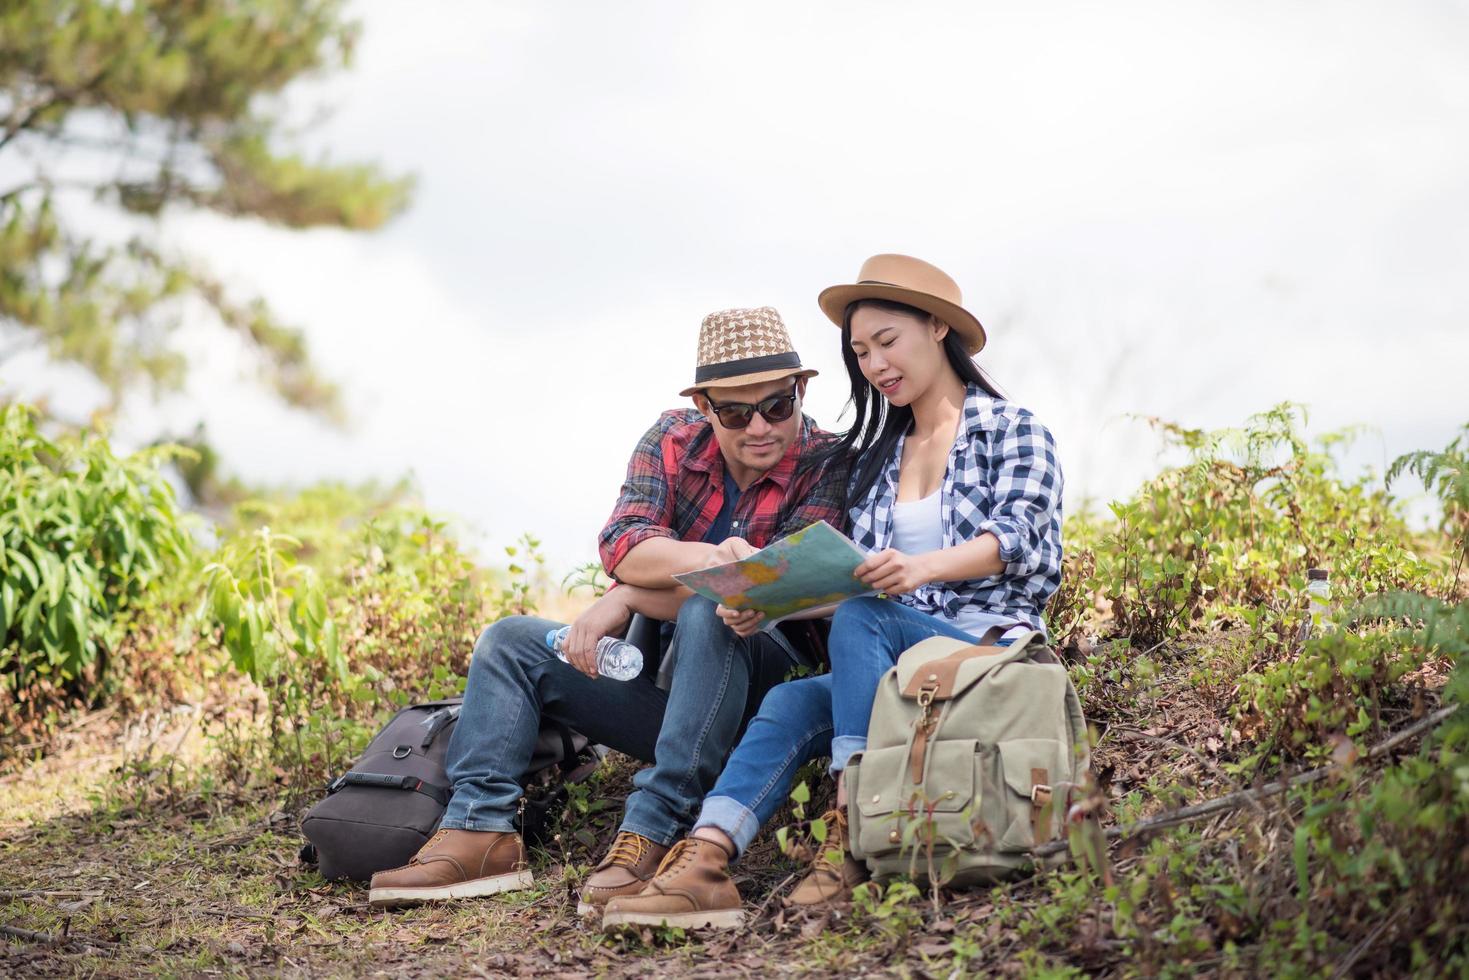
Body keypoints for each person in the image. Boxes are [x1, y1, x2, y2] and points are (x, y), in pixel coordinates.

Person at [601, 254, 1063, 930]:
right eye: (860, 352)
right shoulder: (875, 456)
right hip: (894, 654)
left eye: (887, 342)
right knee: (792, 698)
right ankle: (705, 861)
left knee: (860, 619)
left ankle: (851, 827)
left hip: (985, 651)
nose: (875, 365)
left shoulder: (1010, 429)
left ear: (937, 328)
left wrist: (921, 569)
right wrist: (769, 605)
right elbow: (854, 580)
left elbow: (1023, 541)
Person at [368, 306, 848, 915]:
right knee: (512, 640)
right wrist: (679, 568)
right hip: (677, 706)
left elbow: (769, 590)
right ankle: (481, 830)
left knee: (711, 610)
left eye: (777, 406)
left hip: (764, 710)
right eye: (735, 411)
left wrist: (630, 593)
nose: (760, 427)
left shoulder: (830, 462)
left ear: (801, 390)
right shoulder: (672, 438)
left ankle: (653, 826)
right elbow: (625, 544)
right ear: (705, 407)